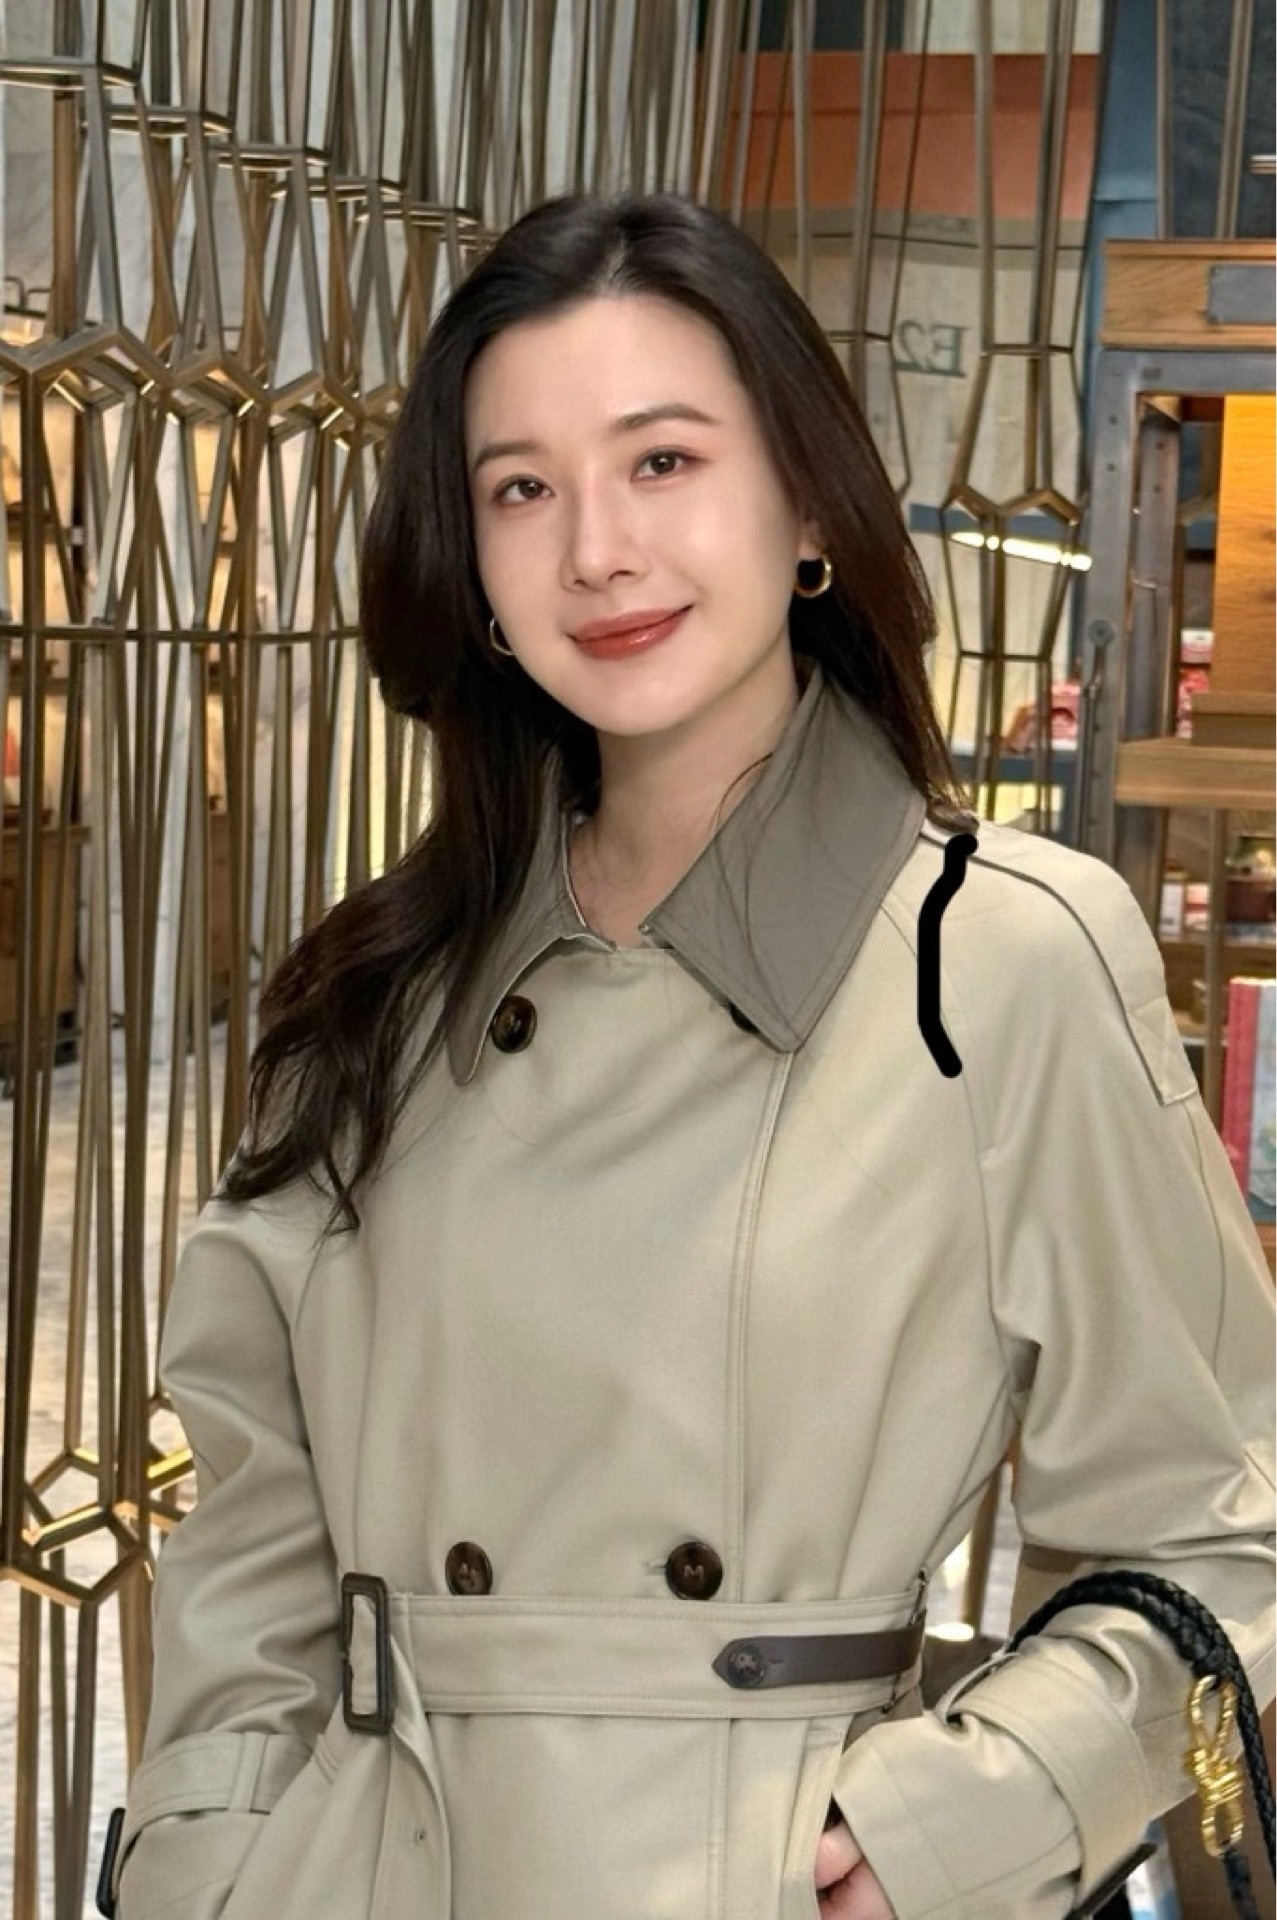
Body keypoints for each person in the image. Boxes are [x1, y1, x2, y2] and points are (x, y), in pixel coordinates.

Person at [106, 189, 1275, 1920]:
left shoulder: (994, 957)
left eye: (661, 461)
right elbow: (249, 1532)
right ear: (470, 565)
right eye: (521, 488)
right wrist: (205, 1859)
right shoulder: (379, 990)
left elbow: (1225, 1522)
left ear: (804, 503)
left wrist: (949, 1831)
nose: (596, 549)